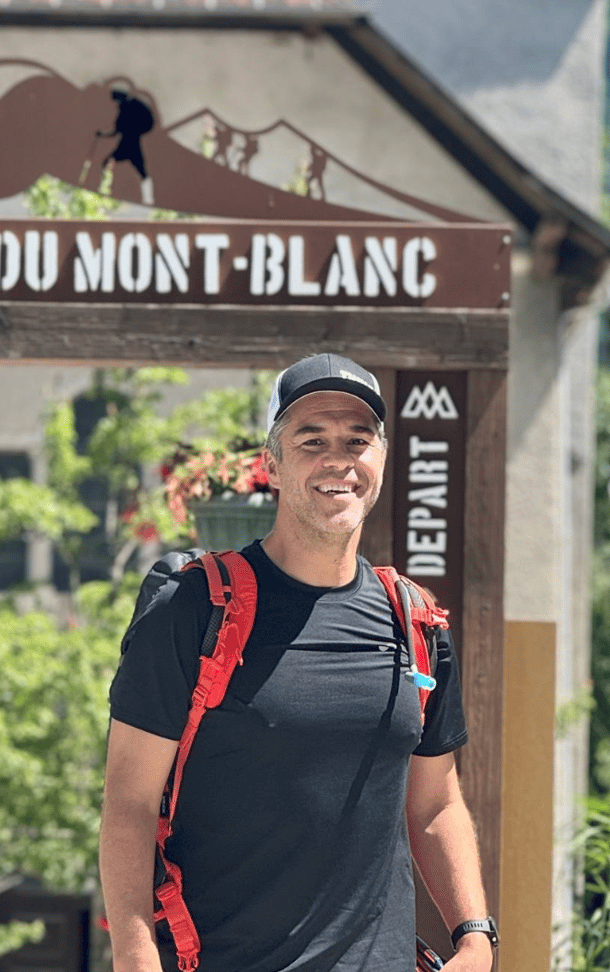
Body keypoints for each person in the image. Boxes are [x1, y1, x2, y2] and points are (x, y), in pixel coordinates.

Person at [100, 354, 496, 972]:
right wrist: (135, 959)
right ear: (273, 466)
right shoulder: (194, 610)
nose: (338, 460)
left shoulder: (414, 622)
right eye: (312, 440)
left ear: (381, 461)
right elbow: (128, 805)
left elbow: (435, 803)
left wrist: (474, 937)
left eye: (357, 441)